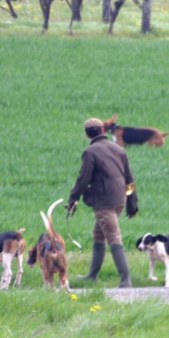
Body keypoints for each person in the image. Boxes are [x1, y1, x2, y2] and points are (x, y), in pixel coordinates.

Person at [68, 118, 139, 288]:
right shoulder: (119, 149)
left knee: (113, 236)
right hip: (119, 199)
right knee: (99, 234)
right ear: (102, 131)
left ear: (87, 134)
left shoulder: (90, 152)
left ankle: (125, 279)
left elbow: (83, 179)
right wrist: (131, 203)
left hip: (103, 201)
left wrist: (73, 198)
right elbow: (129, 180)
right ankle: (92, 276)